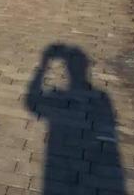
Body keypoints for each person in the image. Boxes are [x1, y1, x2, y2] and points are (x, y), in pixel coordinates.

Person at [26, 44, 124, 194]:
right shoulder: (102, 98)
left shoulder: (100, 98)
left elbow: (33, 104)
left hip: (60, 157)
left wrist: (42, 68)